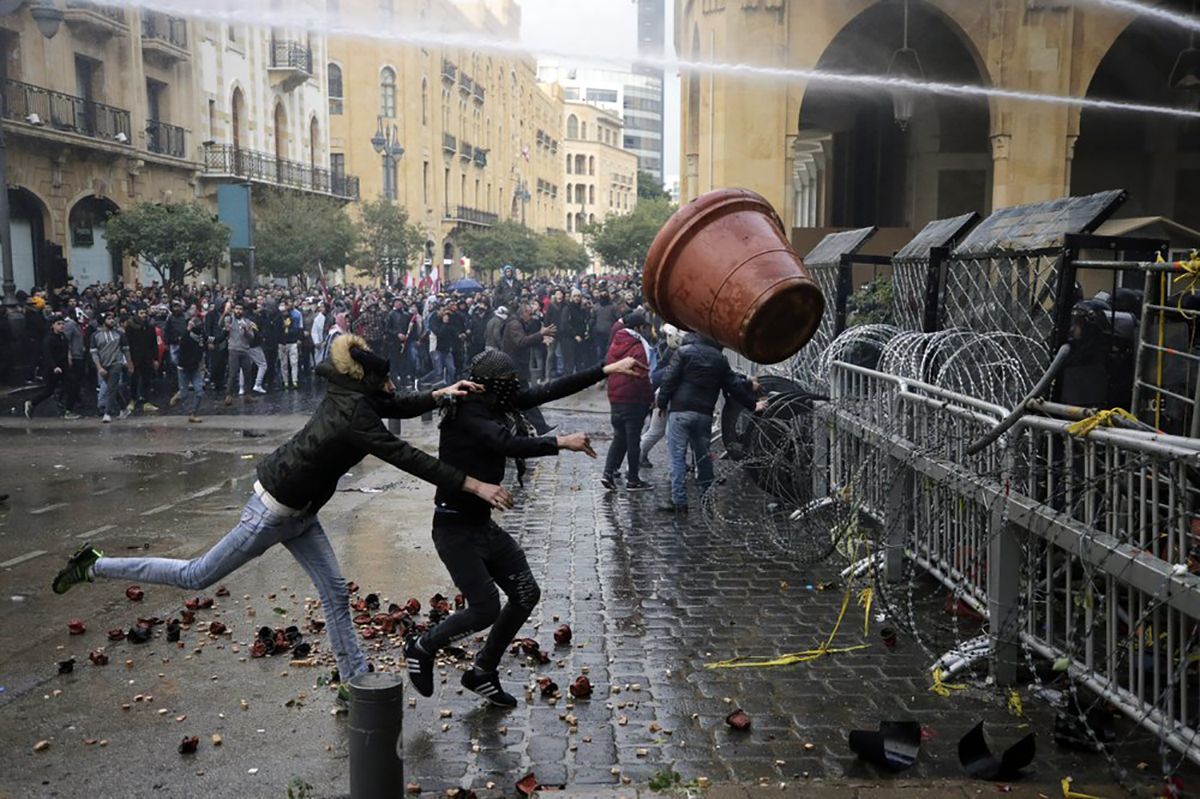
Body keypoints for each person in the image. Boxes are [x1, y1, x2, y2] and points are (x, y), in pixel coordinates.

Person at [52, 334, 513, 696]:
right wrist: (473, 484)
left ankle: (354, 681)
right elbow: (409, 456)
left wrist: (441, 394)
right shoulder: (354, 415)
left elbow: (397, 404)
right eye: (387, 381)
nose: (392, 387)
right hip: (272, 512)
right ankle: (94, 564)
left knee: (334, 591)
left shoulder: (355, 394)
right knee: (195, 576)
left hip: (303, 513)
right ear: (369, 381)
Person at [405, 350, 645, 707]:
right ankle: (423, 646)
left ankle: (483, 671)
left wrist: (609, 368)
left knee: (525, 593)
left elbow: (550, 390)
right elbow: (505, 443)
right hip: (454, 527)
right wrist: (561, 442)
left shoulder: (494, 400)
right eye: (509, 385)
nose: (516, 390)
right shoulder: (468, 411)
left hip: (482, 525)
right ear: (494, 386)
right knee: (484, 608)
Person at [655, 335, 766, 513]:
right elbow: (733, 386)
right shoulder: (720, 359)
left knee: (677, 457)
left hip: (680, 411)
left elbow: (669, 380)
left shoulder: (683, 353)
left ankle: (679, 501)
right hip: (704, 414)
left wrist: (661, 403)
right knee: (703, 458)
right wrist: (753, 405)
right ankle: (706, 497)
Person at [601, 312, 654, 491]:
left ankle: (608, 472)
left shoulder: (615, 343)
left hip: (615, 399)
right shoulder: (638, 347)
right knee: (633, 442)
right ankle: (633, 479)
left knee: (619, 438)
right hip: (633, 400)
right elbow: (642, 376)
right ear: (638, 328)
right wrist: (650, 398)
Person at [640, 324, 683, 469]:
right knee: (658, 432)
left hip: (662, 397)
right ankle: (636, 458)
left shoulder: (669, 350)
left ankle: (636, 458)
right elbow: (661, 377)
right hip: (664, 398)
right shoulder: (671, 353)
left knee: (655, 431)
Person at [24, 317, 69, 419]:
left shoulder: (63, 336)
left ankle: (65, 408)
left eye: (62, 323)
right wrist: (54, 366)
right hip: (52, 369)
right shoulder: (49, 338)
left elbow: (65, 350)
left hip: (63, 367)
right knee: (49, 390)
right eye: (58, 324)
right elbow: (48, 354)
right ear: (53, 325)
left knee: (70, 386)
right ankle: (32, 402)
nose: (61, 326)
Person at [91, 312, 132, 424]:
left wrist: (129, 363)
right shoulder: (95, 336)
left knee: (111, 387)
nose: (112, 321)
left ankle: (107, 412)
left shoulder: (119, 334)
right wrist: (99, 367)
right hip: (103, 365)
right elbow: (94, 353)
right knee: (113, 388)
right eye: (109, 319)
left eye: (113, 318)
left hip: (116, 363)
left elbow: (126, 350)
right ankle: (124, 408)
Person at [224, 302, 258, 406]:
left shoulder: (247, 322)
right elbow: (223, 325)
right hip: (234, 349)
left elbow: (252, 337)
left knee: (247, 373)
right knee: (233, 374)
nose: (238, 311)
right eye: (237, 309)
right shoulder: (230, 319)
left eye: (240, 309)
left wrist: (246, 331)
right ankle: (229, 395)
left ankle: (248, 395)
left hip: (245, 349)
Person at [177, 315, 208, 423]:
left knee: (199, 391)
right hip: (184, 368)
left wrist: (225, 332)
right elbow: (182, 343)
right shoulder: (186, 336)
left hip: (195, 368)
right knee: (184, 395)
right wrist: (187, 330)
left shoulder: (201, 336)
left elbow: (212, 339)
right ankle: (180, 394)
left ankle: (193, 413)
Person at [279, 299, 303, 390]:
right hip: (282, 342)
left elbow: (297, 328)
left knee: (294, 362)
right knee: (284, 363)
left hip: (292, 341)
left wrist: (298, 338)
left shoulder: (293, 316)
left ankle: (294, 380)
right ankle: (285, 381)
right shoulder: (278, 317)